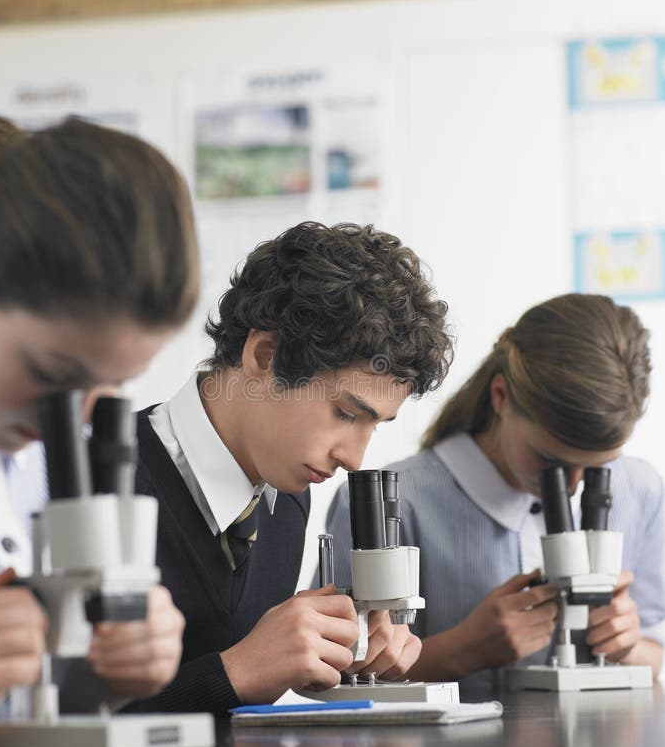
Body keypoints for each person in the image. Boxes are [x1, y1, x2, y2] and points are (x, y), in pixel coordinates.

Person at [122, 220, 453, 715]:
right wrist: (236, 672)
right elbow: (37, 731)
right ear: (264, 355)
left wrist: (338, 655)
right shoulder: (93, 482)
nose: (354, 459)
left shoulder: (290, 494)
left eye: (375, 426)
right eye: (345, 413)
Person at [326, 293, 665, 695]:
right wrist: (463, 651)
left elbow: (655, 653)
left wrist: (627, 643)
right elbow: (339, 680)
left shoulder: (640, 490)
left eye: (597, 471)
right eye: (551, 462)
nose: (573, 488)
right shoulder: (391, 502)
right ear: (501, 397)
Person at [0, 114, 200, 715]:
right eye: (53, 377)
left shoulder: (31, 458)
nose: (76, 417)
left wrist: (109, 671)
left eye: (111, 386)